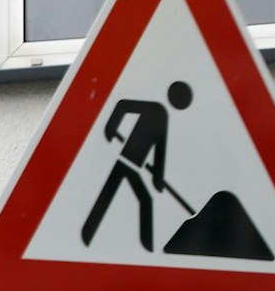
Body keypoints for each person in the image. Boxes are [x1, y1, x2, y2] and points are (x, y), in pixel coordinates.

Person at [82, 81, 192, 251]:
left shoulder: (163, 116)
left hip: (133, 166)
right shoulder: (155, 109)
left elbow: (159, 150)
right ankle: (87, 235)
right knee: (121, 197)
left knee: (120, 196)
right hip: (126, 161)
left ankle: (88, 234)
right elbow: (123, 105)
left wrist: (157, 177)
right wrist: (111, 127)